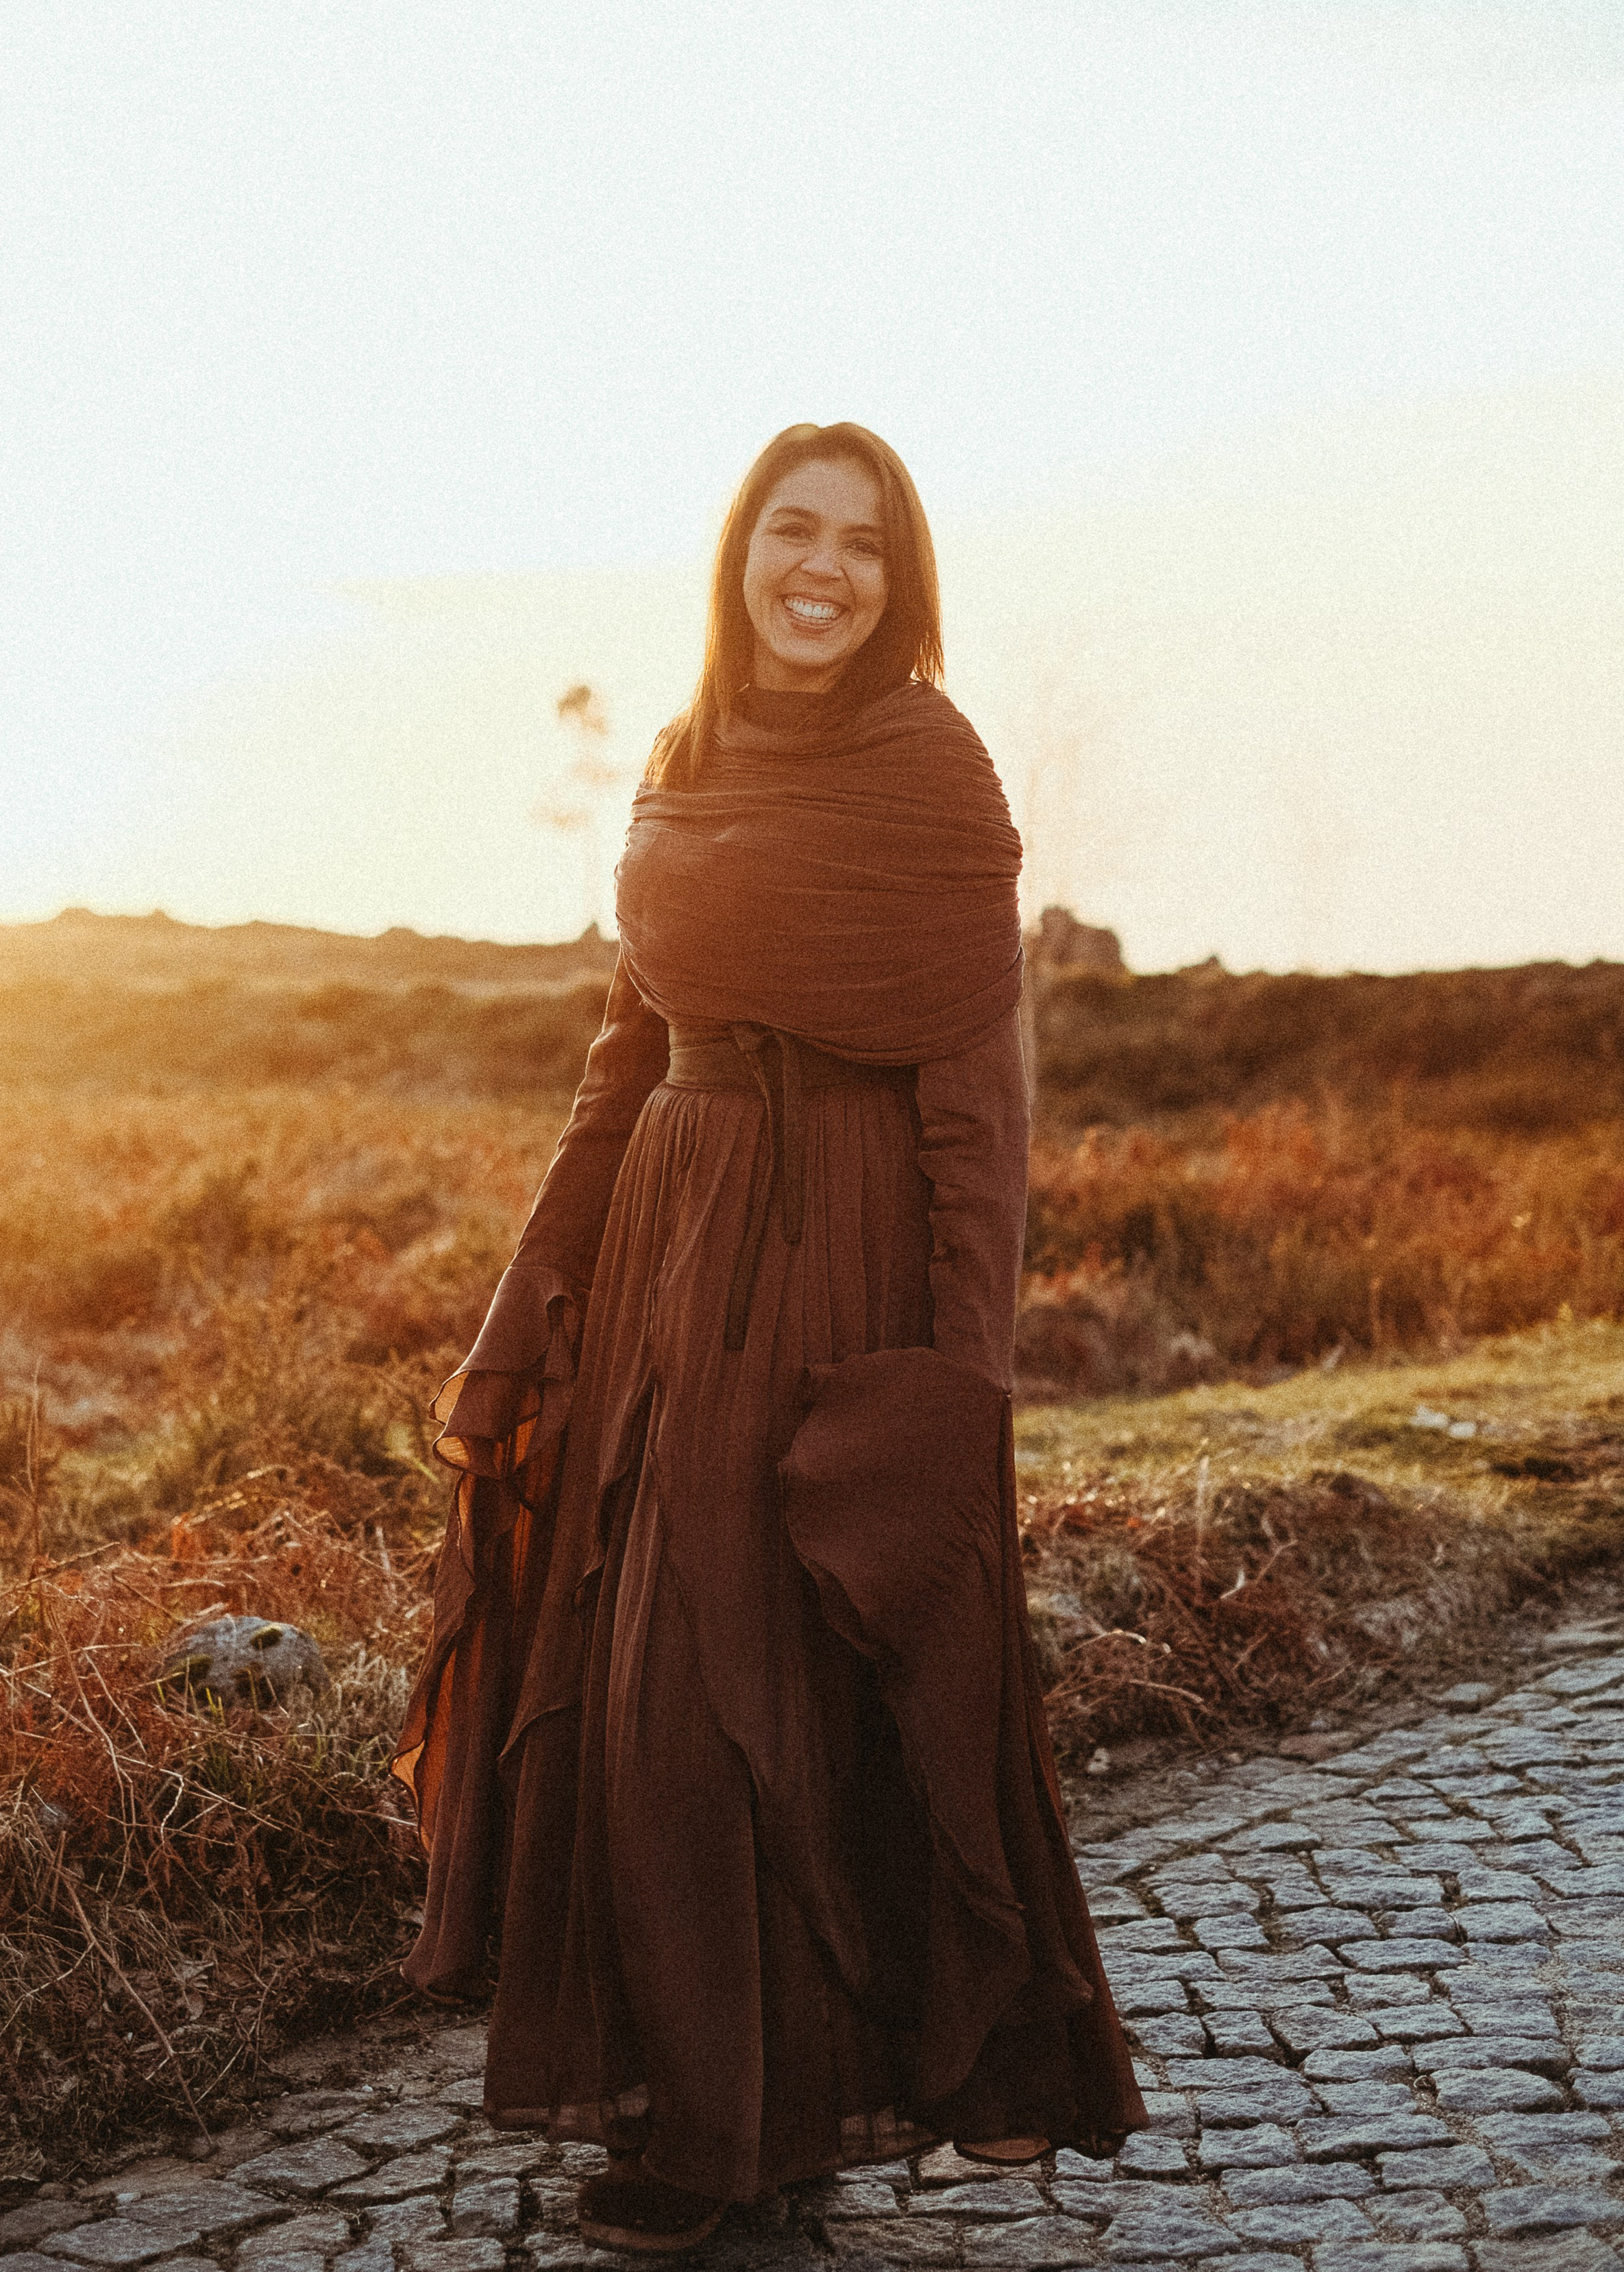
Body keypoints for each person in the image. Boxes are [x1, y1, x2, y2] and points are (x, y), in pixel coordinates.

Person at [393, 422, 1144, 2253]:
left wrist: (961, 1373)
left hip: (843, 1256)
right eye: (793, 531)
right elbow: (624, 1053)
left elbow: (980, 1106)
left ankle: (738, 2132)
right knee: (648, 1689)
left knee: (771, 1699)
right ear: (740, 553)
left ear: (902, 582)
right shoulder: (684, 755)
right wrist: (528, 1303)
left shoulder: (933, 770)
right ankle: (733, 2112)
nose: (823, 569)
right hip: (670, 1255)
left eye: (863, 546)